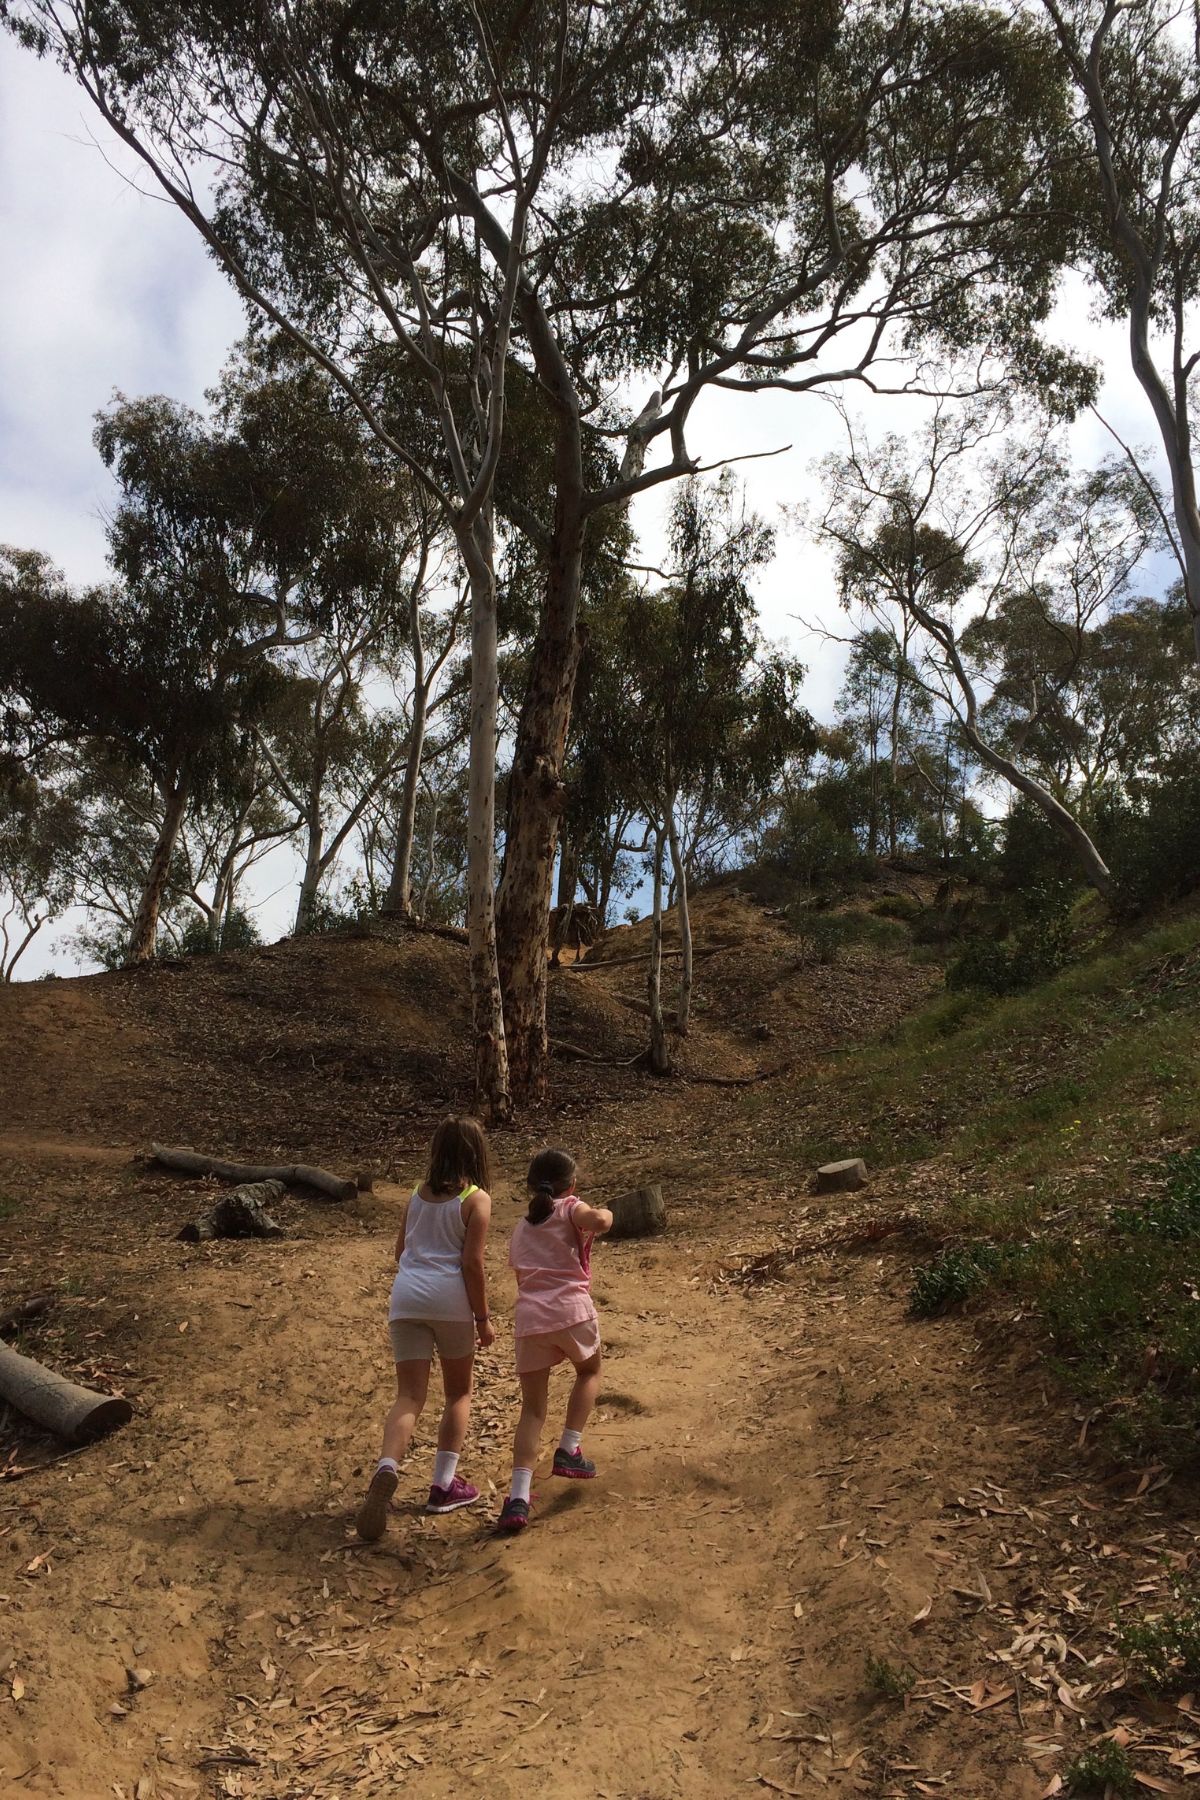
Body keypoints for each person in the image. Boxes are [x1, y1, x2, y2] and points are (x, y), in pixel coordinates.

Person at [355, 1115, 495, 1541]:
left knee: (409, 1395)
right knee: (458, 1393)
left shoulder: (416, 1194)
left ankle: (387, 1467)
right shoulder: (476, 1200)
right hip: (449, 1299)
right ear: (476, 1153)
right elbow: (471, 1264)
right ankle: (443, 1485)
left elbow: (401, 1251)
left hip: (407, 1296)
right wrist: (484, 1319)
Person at [495, 1147, 612, 1535]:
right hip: (571, 1311)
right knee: (590, 1370)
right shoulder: (569, 1208)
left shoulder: (520, 1229)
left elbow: (520, 1278)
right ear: (572, 1185)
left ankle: (517, 1497)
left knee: (532, 1410)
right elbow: (597, 1220)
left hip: (531, 1320)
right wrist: (604, 1214)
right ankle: (569, 1449)